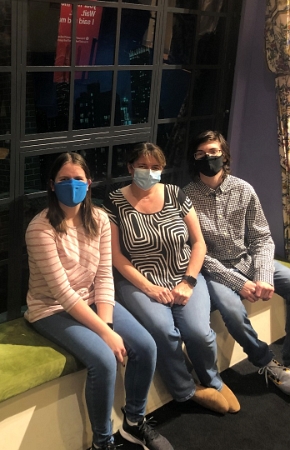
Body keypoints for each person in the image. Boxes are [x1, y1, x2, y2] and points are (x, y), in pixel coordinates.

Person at [25, 152, 174, 450]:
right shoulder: (40, 229)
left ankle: (134, 422)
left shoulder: (100, 220)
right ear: (52, 185)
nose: (72, 185)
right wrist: (106, 333)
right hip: (52, 308)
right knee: (104, 360)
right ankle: (102, 442)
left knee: (146, 346)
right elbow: (63, 294)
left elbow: (104, 276)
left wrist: (107, 325)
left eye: (78, 179)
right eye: (64, 179)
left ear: (89, 183)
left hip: (93, 300)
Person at [103, 143, 239, 415]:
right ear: (130, 168)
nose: (149, 171)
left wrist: (188, 282)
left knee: (199, 333)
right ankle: (186, 389)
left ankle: (212, 379)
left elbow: (198, 243)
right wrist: (149, 288)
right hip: (139, 282)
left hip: (183, 276)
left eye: (155, 167)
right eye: (142, 166)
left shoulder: (176, 194)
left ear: (162, 169)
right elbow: (116, 256)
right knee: (163, 331)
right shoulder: (114, 202)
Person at [184, 130, 290, 395]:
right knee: (232, 311)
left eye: (213, 152)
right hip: (215, 271)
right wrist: (238, 283)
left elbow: (261, 237)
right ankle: (266, 361)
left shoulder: (243, 189)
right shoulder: (186, 198)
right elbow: (197, 252)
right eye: (200, 154)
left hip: (248, 260)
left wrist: (263, 275)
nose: (207, 158)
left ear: (224, 155)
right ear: (193, 159)